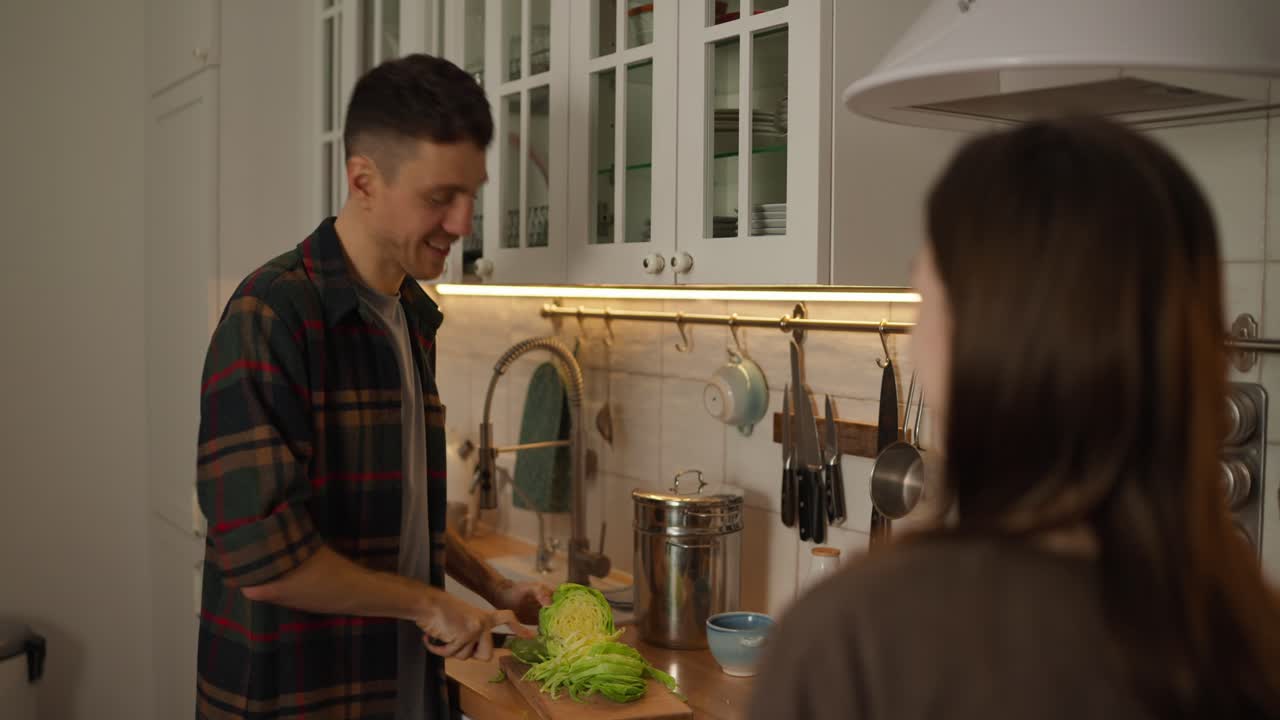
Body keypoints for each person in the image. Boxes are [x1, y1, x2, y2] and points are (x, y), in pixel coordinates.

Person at [748, 117, 1280, 719]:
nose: (915, 340)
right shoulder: (1249, 634)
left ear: (982, 345)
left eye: (927, 303)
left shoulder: (857, 639)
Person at [194, 54, 552, 720]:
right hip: (300, 695)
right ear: (363, 179)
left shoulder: (410, 314)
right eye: (441, 196)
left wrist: (493, 584)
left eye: (472, 193)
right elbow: (265, 560)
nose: (464, 222)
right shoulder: (273, 314)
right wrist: (429, 602)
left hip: (398, 688)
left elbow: (397, 514)